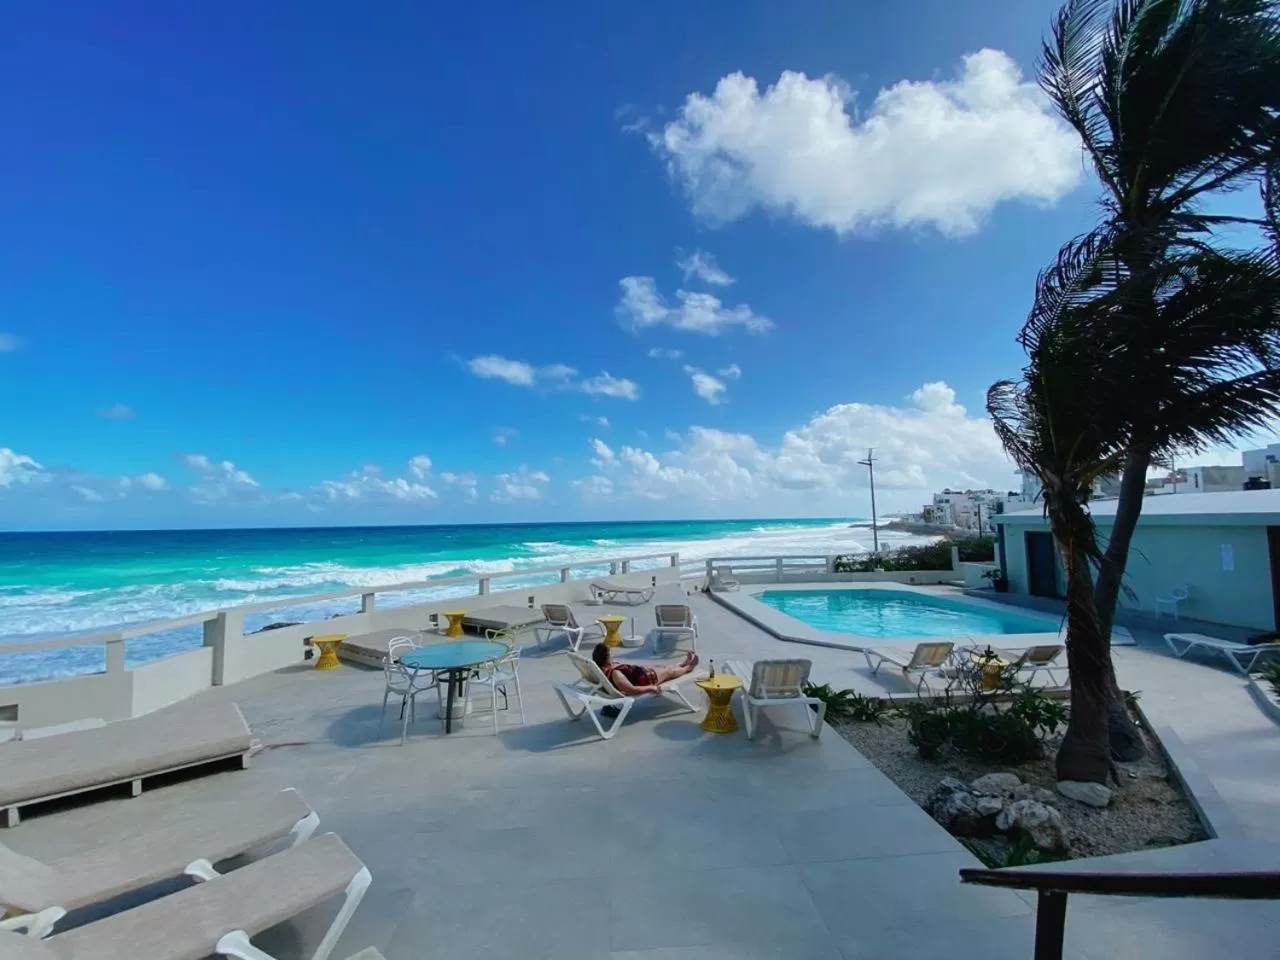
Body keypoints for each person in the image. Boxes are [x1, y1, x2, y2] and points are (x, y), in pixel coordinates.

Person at [591, 641, 698, 696]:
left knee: (663, 667)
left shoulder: (603, 668)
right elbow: (631, 689)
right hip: (645, 680)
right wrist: (650, 688)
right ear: (605, 659)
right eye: (609, 654)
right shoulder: (616, 675)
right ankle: (688, 667)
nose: (611, 655)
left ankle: (684, 663)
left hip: (641, 673)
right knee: (669, 672)